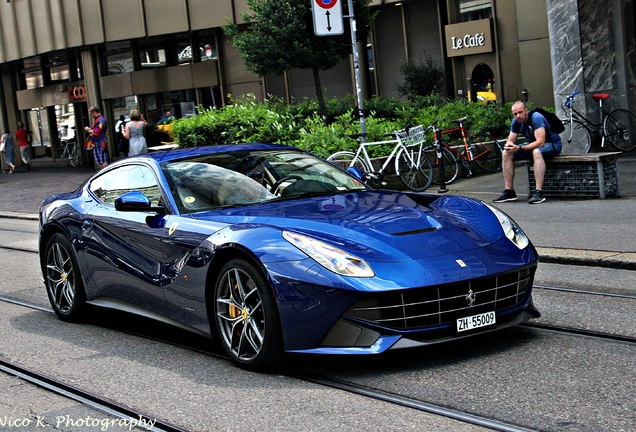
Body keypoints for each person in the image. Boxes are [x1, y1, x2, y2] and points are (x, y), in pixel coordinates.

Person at [494, 101, 562, 204]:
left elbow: (540, 142)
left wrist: (520, 148)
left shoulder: (536, 117)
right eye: (515, 114)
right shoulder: (515, 121)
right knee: (506, 153)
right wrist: (509, 146)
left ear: (526, 111)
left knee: (537, 152)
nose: (518, 116)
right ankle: (509, 191)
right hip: (533, 144)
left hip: (552, 145)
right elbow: (510, 140)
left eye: (520, 112)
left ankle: (539, 192)